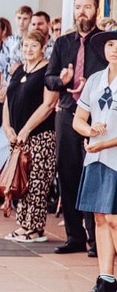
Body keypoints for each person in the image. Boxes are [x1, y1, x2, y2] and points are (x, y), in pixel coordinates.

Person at [45, 0, 107, 257]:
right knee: (67, 175)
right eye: (78, 7)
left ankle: (96, 240)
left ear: (96, 11)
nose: (82, 11)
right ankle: (74, 237)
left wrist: (89, 85)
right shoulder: (62, 43)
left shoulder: (105, 42)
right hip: (67, 114)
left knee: (92, 176)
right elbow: (49, 79)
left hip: (97, 118)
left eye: (87, 7)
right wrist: (64, 81)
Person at [3, 30, 58, 242]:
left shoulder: (47, 71)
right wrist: (7, 127)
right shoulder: (18, 70)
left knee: (37, 182)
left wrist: (26, 129)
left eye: (33, 46)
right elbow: (9, 99)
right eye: (25, 45)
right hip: (17, 138)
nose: (28, 50)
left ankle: (35, 228)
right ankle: (22, 225)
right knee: (21, 181)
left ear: (43, 47)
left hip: (40, 136)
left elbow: (48, 104)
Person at [74, 29, 117, 292]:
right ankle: (106, 278)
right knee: (100, 218)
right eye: (110, 44)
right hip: (96, 157)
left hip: (114, 157)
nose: (114, 49)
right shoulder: (95, 79)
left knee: (114, 219)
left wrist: (106, 142)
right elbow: (78, 119)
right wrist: (89, 131)